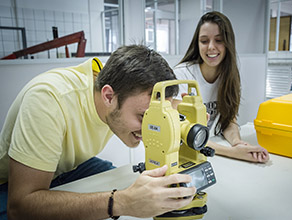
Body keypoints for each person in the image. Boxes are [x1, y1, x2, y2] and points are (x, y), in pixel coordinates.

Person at [0, 45, 196, 219]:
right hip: (10, 183)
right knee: (122, 200)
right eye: (143, 118)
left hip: (70, 165)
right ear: (108, 96)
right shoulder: (47, 100)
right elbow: (19, 208)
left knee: (131, 185)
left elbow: (161, 107)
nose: (149, 129)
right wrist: (121, 202)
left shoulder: (116, 82)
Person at [172, 11, 269, 163]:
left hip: (206, 152)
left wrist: (237, 143)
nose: (211, 47)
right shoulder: (181, 75)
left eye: (219, 40)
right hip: (181, 156)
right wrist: (232, 152)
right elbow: (181, 132)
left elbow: (229, 121)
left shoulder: (229, 76)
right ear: (197, 44)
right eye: (204, 41)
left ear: (228, 43)